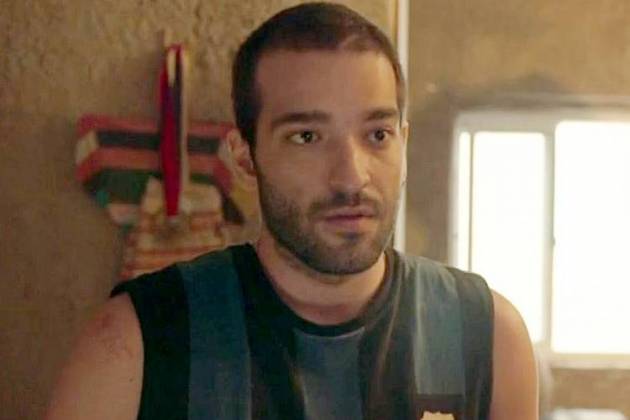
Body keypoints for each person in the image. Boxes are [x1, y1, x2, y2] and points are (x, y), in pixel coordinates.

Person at [45, 3, 538, 419]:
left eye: (377, 134)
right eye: (307, 136)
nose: (351, 177)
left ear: (404, 145)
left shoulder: (488, 335)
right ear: (244, 156)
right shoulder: (135, 343)